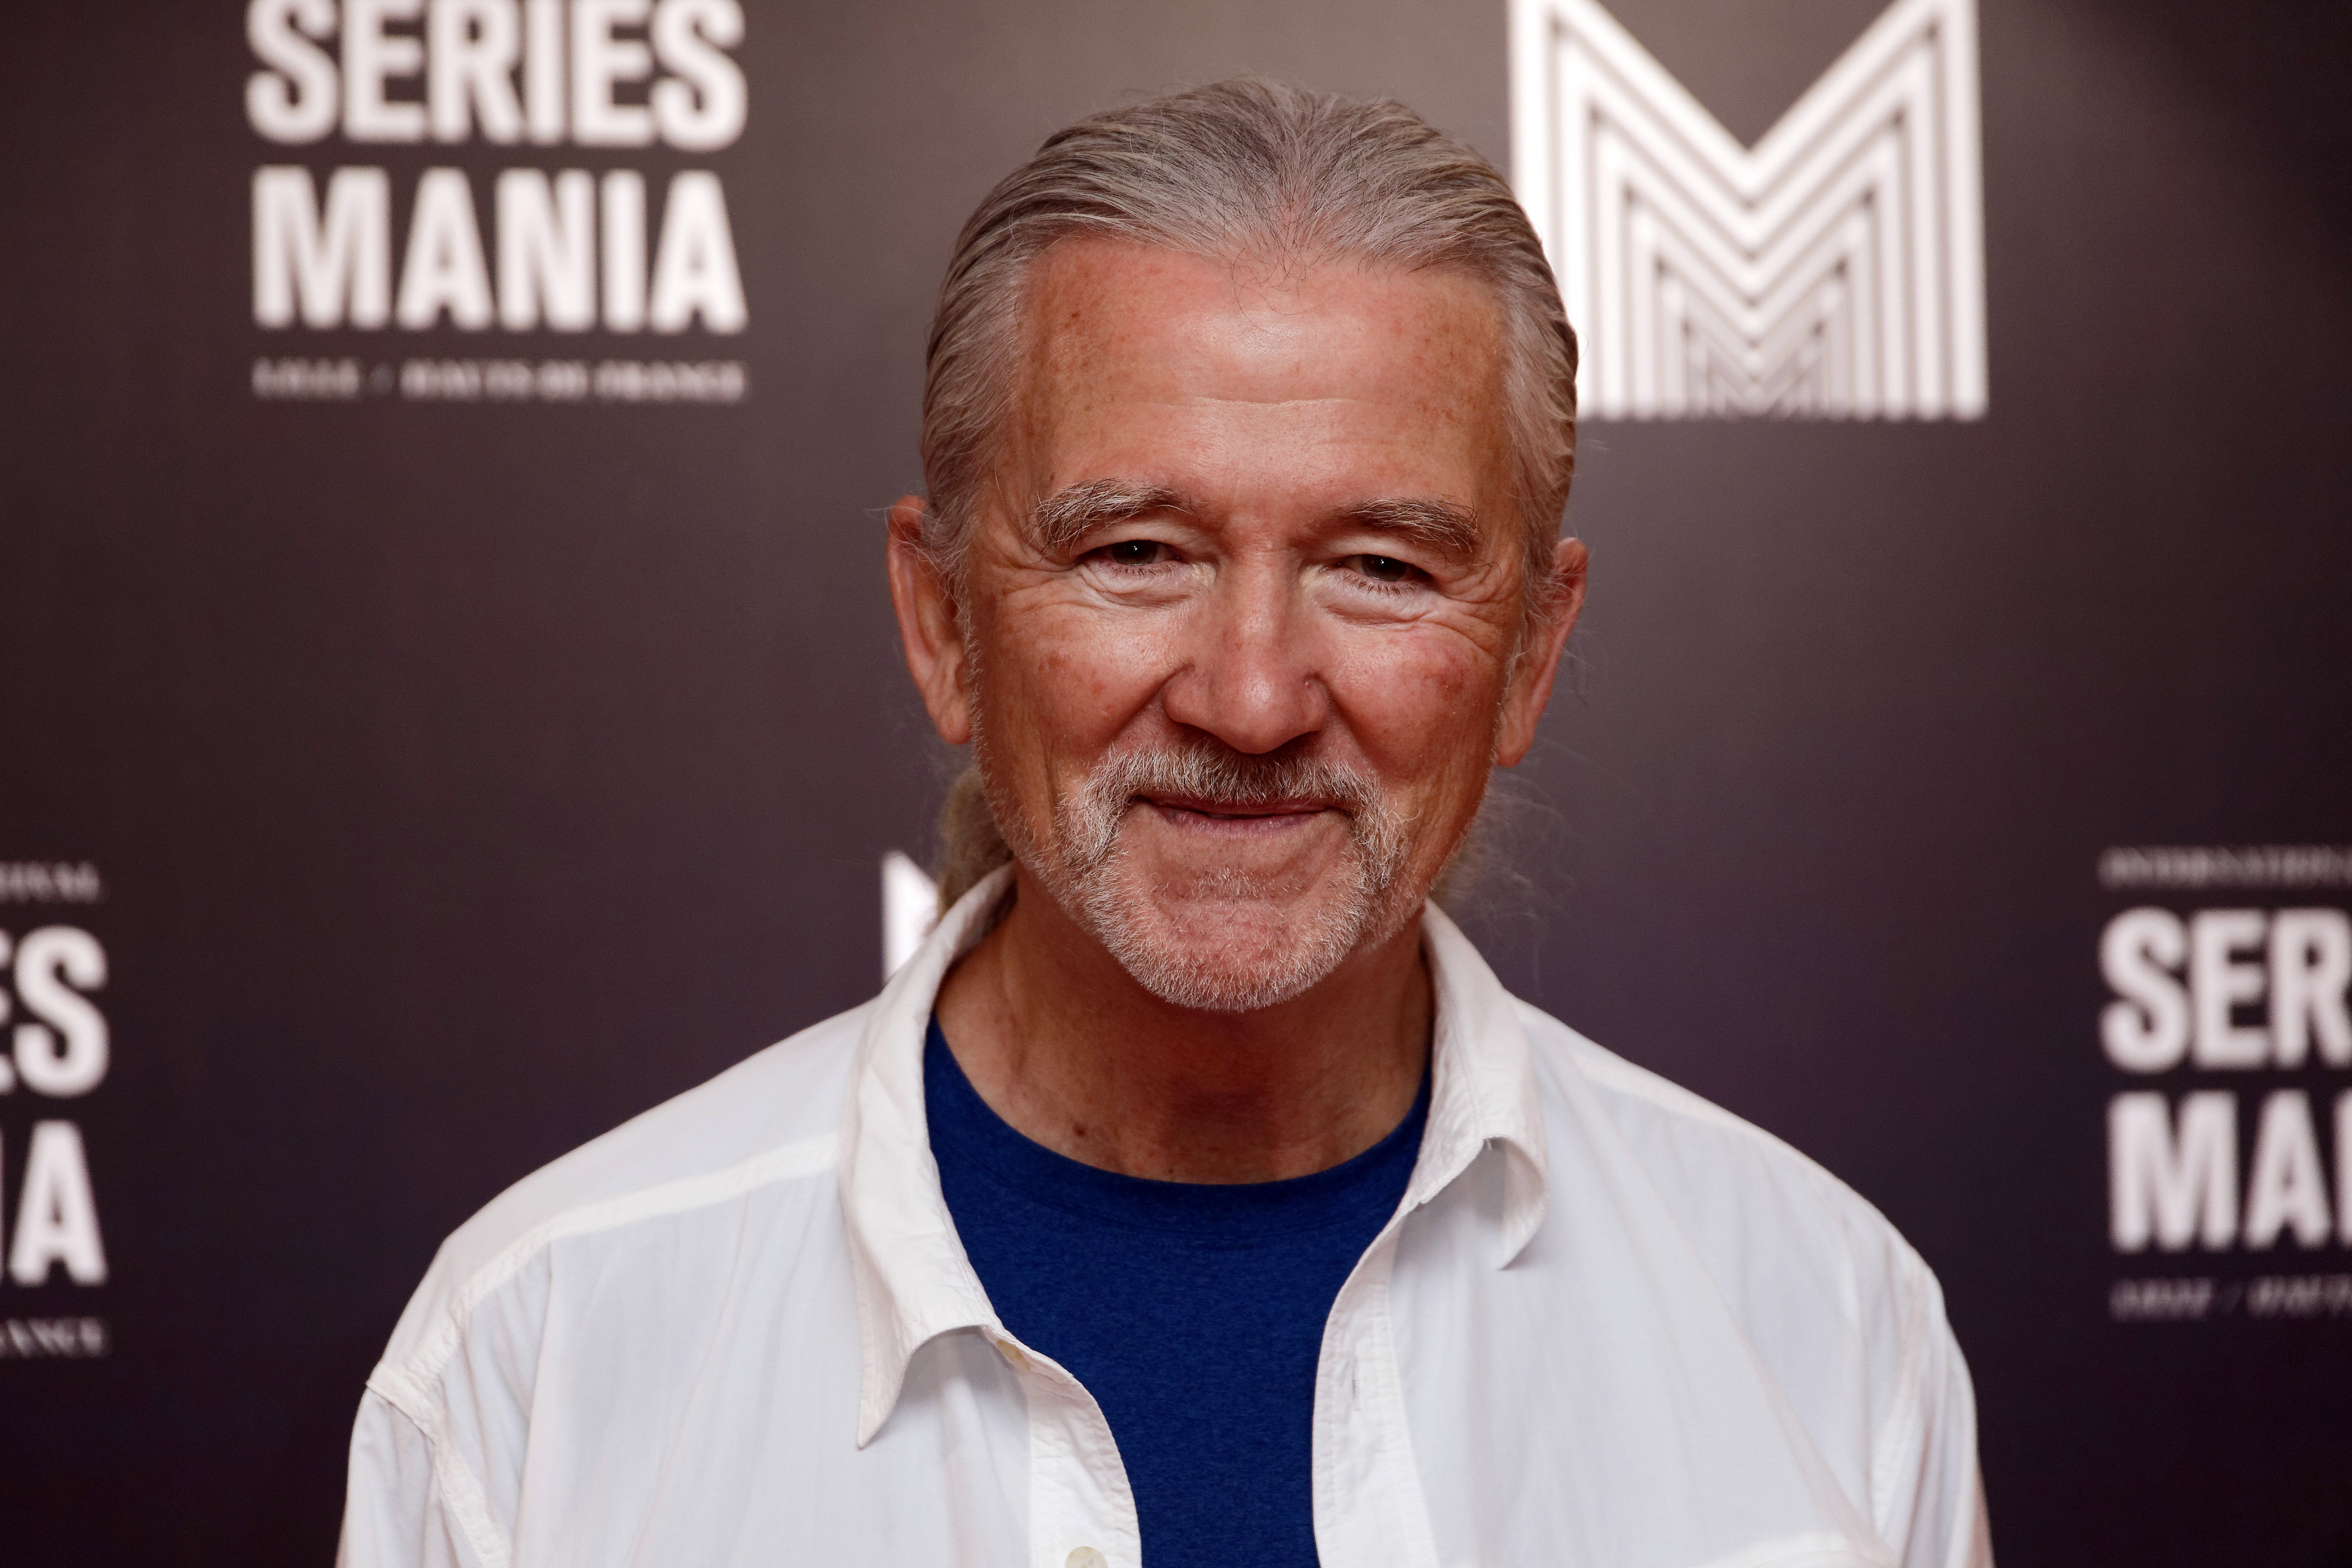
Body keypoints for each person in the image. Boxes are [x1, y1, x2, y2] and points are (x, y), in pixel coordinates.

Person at [337, 78, 1990, 1568]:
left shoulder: (1827, 1329)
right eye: (1135, 552)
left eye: (1383, 567)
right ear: (941, 625)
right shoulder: (539, 1362)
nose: (1252, 698)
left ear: (1531, 654)